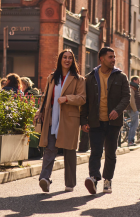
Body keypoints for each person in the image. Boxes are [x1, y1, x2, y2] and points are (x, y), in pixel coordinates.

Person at [35, 49, 86, 193]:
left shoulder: (79, 79)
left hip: (69, 120)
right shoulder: (52, 77)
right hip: (52, 118)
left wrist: (67, 98)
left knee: (69, 152)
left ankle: (70, 183)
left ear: (73, 61)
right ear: (60, 59)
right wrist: (40, 112)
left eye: (70, 58)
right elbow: (46, 97)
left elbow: (82, 98)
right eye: (65, 57)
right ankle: (44, 178)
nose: (67, 60)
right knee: (50, 149)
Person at [81, 47, 130, 194]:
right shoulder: (90, 77)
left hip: (113, 123)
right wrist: (83, 121)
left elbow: (126, 97)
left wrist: (117, 110)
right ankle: (94, 178)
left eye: (114, 57)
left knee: (110, 153)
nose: (113, 59)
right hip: (95, 121)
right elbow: (86, 101)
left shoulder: (121, 76)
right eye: (110, 57)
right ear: (101, 59)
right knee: (95, 152)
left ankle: (108, 180)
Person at [127, 76, 140, 147]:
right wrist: (135, 110)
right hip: (133, 109)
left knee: (133, 125)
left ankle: (130, 140)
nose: (139, 82)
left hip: (132, 109)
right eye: (138, 80)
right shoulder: (132, 88)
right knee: (134, 125)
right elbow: (131, 100)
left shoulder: (134, 88)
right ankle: (130, 141)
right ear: (134, 80)